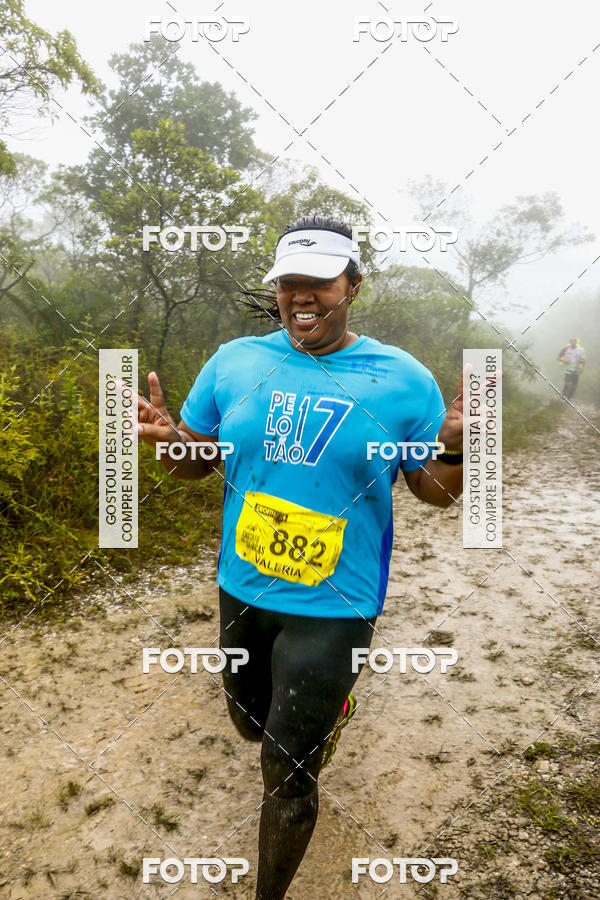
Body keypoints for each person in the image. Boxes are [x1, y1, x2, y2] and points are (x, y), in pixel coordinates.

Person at [136, 215, 465, 899]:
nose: (302, 296)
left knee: (286, 773)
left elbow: (434, 493)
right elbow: (196, 466)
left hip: (335, 606)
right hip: (243, 586)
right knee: (247, 723)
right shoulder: (235, 361)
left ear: (353, 285)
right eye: (290, 282)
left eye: (319, 282)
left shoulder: (402, 380)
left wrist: (458, 446)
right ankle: (313, 721)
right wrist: (170, 440)